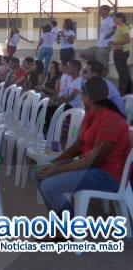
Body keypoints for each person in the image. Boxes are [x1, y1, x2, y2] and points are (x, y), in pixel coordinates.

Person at [35, 77, 131, 218]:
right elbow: (78, 146)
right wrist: (53, 163)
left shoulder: (111, 120)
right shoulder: (92, 114)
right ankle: (58, 221)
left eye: (82, 93)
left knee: (48, 186)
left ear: (88, 97)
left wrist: (58, 169)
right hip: (91, 168)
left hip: (107, 175)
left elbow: (93, 160)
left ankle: (71, 223)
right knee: (39, 173)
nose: (80, 96)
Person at [81, 5, 116, 73]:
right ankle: (99, 60)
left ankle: (103, 77)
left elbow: (115, 28)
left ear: (106, 11)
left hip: (105, 45)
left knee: (103, 65)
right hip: (99, 45)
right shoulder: (104, 21)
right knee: (83, 54)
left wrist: (109, 35)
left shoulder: (109, 20)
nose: (99, 11)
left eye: (101, 10)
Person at [111, 12, 131, 94]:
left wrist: (116, 43)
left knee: (122, 72)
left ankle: (122, 90)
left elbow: (128, 40)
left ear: (121, 19)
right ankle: (126, 89)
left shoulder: (124, 27)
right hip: (118, 52)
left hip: (121, 53)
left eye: (115, 18)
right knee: (123, 72)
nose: (114, 20)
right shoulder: (119, 27)